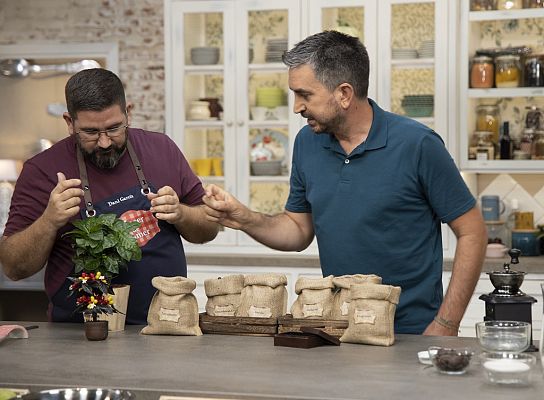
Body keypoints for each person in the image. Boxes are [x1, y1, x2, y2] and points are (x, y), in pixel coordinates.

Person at [203, 31, 487, 335]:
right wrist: (245, 219)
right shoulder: (307, 143)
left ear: (344, 94)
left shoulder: (417, 144)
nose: (297, 107)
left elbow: (473, 232)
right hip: (337, 329)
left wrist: (446, 323)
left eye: (305, 95)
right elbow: (298, 231)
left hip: (410, 333)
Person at [0, 68, 219, 324]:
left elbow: (209, 228)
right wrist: (50, 220)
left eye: (114, 128)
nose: (104, 142)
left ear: (129, 113)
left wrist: (181, 213)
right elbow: (14, 267)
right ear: (70, 122)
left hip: (167, 326)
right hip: (80, 335)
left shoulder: (162, 149)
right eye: (91, 132)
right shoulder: (42, 170)